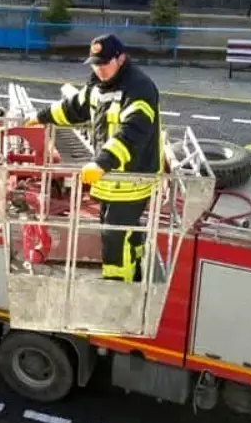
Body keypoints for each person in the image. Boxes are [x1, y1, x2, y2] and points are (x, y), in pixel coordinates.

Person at [30, 33, 162, 282]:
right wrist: (42, 116)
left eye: (104, 63)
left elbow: (132, 133)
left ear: (120, 59)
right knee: (120, 230)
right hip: (110, 180)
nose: (99, 69)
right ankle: (134, 262)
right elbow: (74, 108)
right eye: (95, 64)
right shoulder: (99, 85)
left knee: (114, 235)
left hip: (131, 181)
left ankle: (118, 284)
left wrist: (101, 162)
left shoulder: (139, 88)